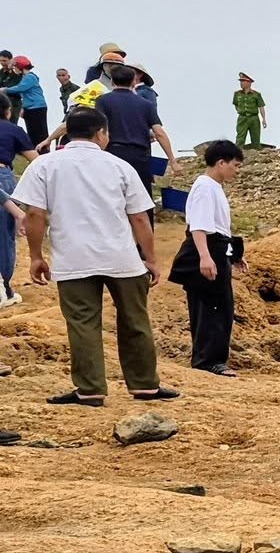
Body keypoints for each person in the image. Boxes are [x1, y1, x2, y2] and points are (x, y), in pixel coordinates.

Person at [16, 109, 177, 407]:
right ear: (101, 133)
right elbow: (140, 218)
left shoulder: (44, 166)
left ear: (66, 133)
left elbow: (35, 214)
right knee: (135, 320)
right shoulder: (120, 166)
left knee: (83, 323)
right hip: (122, 258)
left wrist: (36, 256)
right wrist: (151, 259)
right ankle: (145, 385)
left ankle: (90, 389)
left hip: (73, 258)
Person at [171, 140, 243, 376]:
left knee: (221, 306)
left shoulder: (214, 187)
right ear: (220, 162)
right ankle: (207, 360)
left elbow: (219, 227)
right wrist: (205, 257)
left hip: (218, 248)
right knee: (210, 307)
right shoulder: (204, 187)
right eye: (235, 165)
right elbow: (200, 227)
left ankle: (214, 358)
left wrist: (232, 255)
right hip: (207, 249)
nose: (236, 170)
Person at [97, 64, 174, 204]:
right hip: (140, 157)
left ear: (113, 82)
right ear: (133, 81)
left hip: (113, 153)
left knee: (112, 200)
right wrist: (173, 161)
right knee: (142, 200)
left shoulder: (103, 101)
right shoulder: (146, 104)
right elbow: (159, 133)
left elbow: (101, 130)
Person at [0, 111, 37, 304]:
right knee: (4, 236)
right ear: (8, 112)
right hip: (2, 174)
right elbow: (36, 160)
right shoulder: (12, 129)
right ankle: (4, 289)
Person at [7, 58, 48, 149]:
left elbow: (20, 88)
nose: (14, 69)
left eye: (15, 67)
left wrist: (5, 90)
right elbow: (24, 95)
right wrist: (23, 107)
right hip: (30, 108)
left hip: (36, 108)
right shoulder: (25, 77)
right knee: (32, 133)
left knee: (39, 134)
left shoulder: (30, 77)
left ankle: (42, 152)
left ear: (20, 66)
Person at [231, 73, 266, 149]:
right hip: (242, 118)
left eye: (243, 81)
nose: (241, 83)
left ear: (249, 83)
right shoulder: (237, 94)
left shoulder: (256, 94)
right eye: (241, 81)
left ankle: (256, 154)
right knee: (240, 137)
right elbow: (236, 104)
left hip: (254, 118)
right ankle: (237, 154)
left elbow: (261, 107)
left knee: (256, 138)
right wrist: (240, 111)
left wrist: (264, 119)